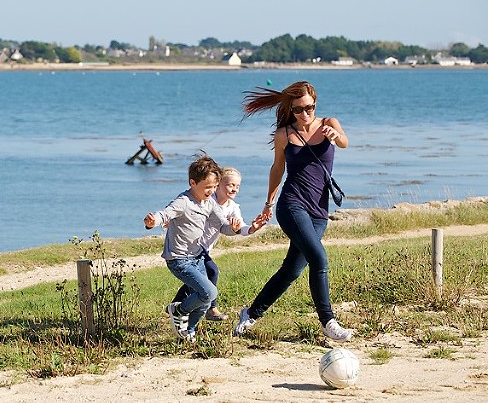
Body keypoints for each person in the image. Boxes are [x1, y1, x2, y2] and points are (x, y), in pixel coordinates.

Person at [234, 81, 352, 342]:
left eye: (309, 108)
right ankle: (328, 321)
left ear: (315, 104)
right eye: (298, 110)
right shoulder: (284, 134)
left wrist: (335, 136)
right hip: (291, 205)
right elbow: (277, 169)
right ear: (291, 109)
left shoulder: (329, 124)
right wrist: (268, 203)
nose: (304, 114)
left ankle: (250, 313)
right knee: (319, 258)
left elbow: (344, 142)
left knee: (292, 269)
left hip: (319, 210)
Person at [143, 155, 239, 341]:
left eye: (214, 187)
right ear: (193, 182)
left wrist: (234, 229)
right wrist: (152, 222)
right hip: (178, 259)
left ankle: (189, 332)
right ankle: (178, 310)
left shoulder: (210, 202)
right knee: (209, 292)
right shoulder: (184, 201)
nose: (211, 191)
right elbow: (165, 214)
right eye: (207, 187)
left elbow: (223, 226)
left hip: (197, 257)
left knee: (205, 301)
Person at [171, 167, 267, 321]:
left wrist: (252, 228)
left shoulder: (233, 207)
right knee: (212, 271)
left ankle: (176, 304)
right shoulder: (208, 199)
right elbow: (188, 208)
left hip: (204, 248)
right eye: (230, 185)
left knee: (200, 278)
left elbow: (240, 227)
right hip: (193, 246)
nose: (234, 188)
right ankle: (211, 308)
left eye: (237, 186)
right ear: (218, 184)